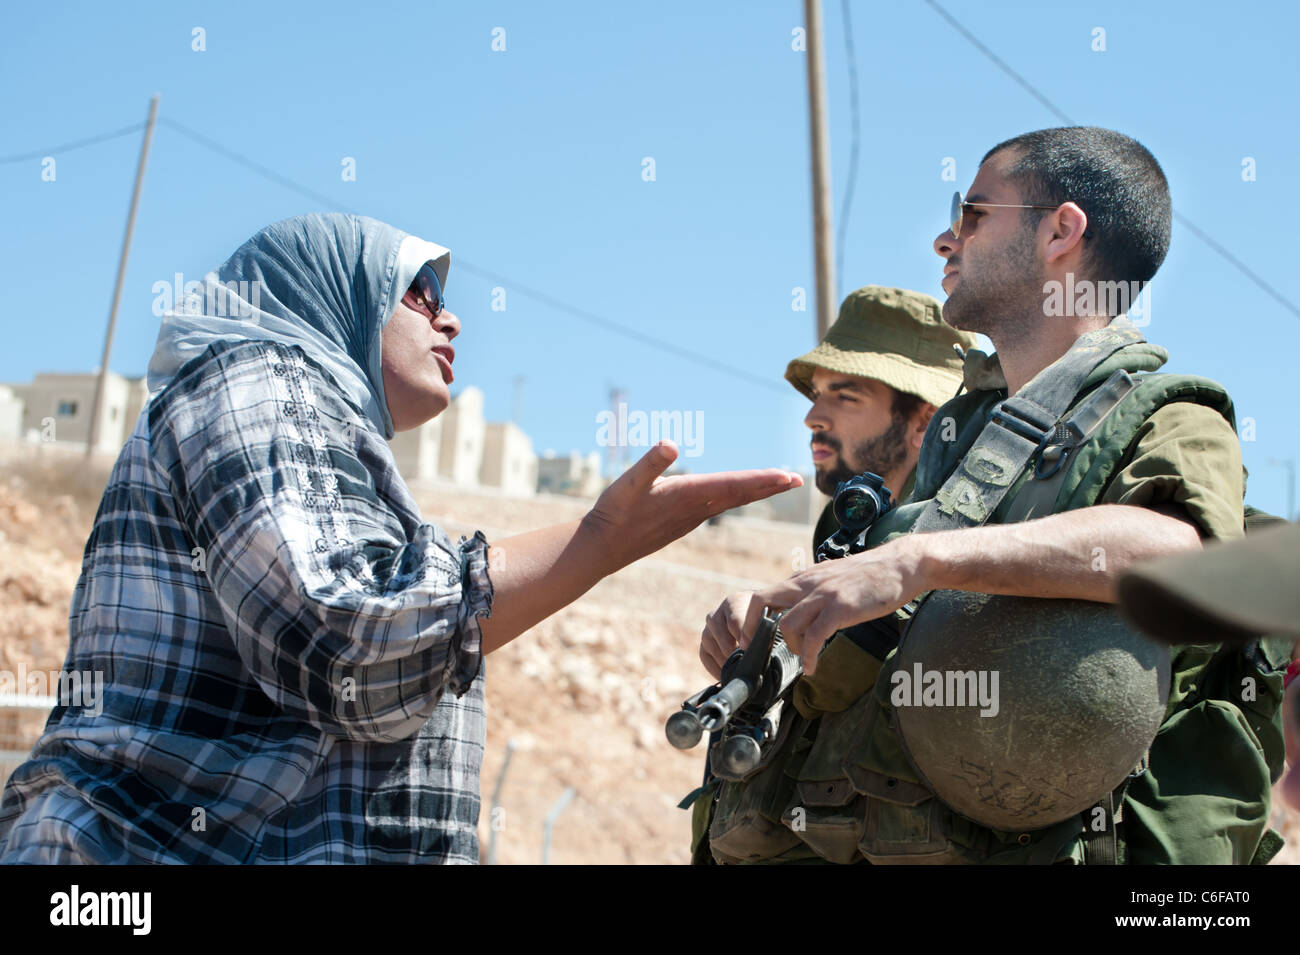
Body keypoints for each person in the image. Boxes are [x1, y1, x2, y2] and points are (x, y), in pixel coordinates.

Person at [0, 213, 802, 864]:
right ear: (331, 293)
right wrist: (598, 541)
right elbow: (347, 645)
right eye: (417, 291)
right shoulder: (258, 378)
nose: (450, 316)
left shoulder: (315, 431)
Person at [700, 126, 1284, 864]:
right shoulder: (959, 430)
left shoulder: (1173, 416)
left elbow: (1176, 550)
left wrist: (918, 559)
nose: (947, 241)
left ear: (1061, 232)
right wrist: (778, 632)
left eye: (973, 213)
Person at [692, 285, 973, 864]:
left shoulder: (963, 546)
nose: (812, 417)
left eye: (844, 396)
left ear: (926, 422)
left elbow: (836, 683)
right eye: (817, 394)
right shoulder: (847, 532)